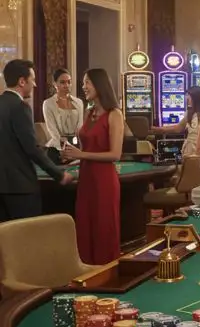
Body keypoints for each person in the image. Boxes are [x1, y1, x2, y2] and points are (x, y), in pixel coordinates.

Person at [62, 69, 123, 265]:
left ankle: (107, 272)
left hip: (104, 179)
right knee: (85, 224)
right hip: (86, 178)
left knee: (104, 225)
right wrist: (72, 157)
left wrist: (81, 155)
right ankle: (86, 271)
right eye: (83, 82)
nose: (83, 86)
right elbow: (85, 148)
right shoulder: (89, 113)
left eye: (87, 82)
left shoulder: (115, 114)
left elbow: (115, 154)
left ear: (99, 85)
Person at [0, 60, 71, 221]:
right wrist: (58, 174)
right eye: (32, 79)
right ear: (22, 81)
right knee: (26, 239)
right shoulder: (20, 107)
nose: (35, 85)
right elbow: (31, 149)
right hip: (20, 188)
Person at [151, 86, 200, 156]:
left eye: (189, 96)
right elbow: (178, 128)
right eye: (187, 95)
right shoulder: (190, 112)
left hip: (199, 149)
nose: (186, 98)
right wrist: (158, 129)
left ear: (196, 98)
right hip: (189, 148)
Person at [42, 68, 84, 164]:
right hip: (57, 147)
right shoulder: (48, 103)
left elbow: (80, 127)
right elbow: (52, 130)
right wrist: (62, 149)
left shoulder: (79, 102)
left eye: (69, 82)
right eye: (63, 82)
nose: (67, 85)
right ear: (55, 84)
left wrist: (78, 148)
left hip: (75, 145)